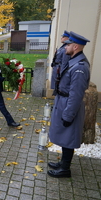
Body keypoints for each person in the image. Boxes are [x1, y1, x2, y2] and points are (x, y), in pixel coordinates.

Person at [48, 31, 90, 178]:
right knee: (65, 136)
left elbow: (76, 94)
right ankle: (63, 163)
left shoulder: (79, 67)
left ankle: (65, 169)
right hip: (63, 101)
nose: (65, 47)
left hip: (69, 104)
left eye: (68, 45)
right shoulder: (73, 61)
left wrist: (68, 115)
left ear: (76, 47)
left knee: (69, 136)